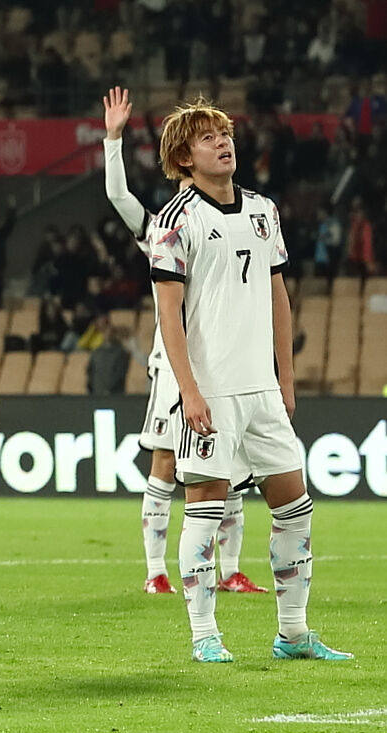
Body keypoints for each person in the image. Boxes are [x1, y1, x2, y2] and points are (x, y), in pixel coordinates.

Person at [149, 98, 351, 663]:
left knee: (295, 504)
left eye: (224, 133)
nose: (223, 142)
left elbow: (278, 296)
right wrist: (188, 389)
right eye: (208, 137)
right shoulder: (173, 223)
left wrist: (286, 378)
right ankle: (204, 635)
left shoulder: (264, 210)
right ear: (183, 157)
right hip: (209, 392)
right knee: (205, 507)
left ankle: (292, 634)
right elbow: (169, 313)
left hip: (261, 390)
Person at [101, 88, 266, 596]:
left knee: (233, 467)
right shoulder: (163, 227)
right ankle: (155, 571)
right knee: (168, 463)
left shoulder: (243, 215)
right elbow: (119, 197)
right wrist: (113, 140)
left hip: (228, 364)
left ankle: (231, 570)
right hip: (174, 366)